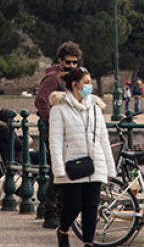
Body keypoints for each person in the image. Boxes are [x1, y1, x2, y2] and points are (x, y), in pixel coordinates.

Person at [48, 66, 116, 247]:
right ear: (74, 84)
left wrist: (110, 168)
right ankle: (63, 230)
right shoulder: (59, 109)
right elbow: (55, 140)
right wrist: (58, 169)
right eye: (86, 82)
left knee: (91, 208)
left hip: (95, 164)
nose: (90, 86)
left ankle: (88, 243)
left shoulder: (95, 107)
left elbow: (103, 139)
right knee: (73, 205)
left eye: (90, 82)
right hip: (71, 165)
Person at [35, 41, 83, 229]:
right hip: (56, 132)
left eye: (74, 62)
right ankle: (50, 213)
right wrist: (53, 119)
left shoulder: (72, 78)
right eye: (68, 62)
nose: (71, 66)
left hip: (71, 131)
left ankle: (62, 212)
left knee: (68, 171)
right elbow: (41, 100)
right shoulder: (53, 79)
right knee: (57, 172)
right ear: (60, 61)